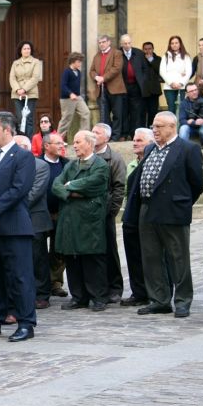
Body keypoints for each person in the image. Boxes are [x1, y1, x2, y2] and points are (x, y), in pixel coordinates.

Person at [127, 111, 203, 318]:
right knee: (151, 257)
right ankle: (159, 300)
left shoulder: (188, 149)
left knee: (178, 258)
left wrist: (182, 204)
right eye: (153, 126)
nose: (155, 130)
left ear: (172, 127)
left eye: (159, 126)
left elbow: (197, 183)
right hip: (147, 209)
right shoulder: (151, 148)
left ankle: (182, 300)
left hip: (173, 210)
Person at [0, 111, 37, 342]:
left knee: (19, 277)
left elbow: (18, 189)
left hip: (14, 227)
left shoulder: (23, 156)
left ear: (7, 130)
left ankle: (25, 322)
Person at [53, 131, 110, 311]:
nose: (74, 146)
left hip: (89, 220)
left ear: (89, 144)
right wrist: (70, 192)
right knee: (72, 259)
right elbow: (56, 185)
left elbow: (93, 184)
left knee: (92, 258)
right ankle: (78, 297)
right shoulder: (71, 165)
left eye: (77, 142)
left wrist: (70, 186)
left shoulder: (100, 165)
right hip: (69, 219)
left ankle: (99, 297)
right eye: (74, 142)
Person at [15, 135, 52, 309]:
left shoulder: (41, 166)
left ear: (29, 147)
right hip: (14, 218)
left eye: (23, 145)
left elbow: (34, 193)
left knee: (38, 258)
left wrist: (9, 205)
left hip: (35, 218)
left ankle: (42, 294)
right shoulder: (11, 165)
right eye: (17, 146)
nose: (20, 149)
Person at [92, 123, 127, 303]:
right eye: (92, 132)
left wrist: (111, 211)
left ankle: (114, 287)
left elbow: (119, 187)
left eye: (97, 133)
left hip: (105, 213)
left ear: (106, 137)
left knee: (110, 250)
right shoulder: (87, 155)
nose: (93, 135)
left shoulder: (114, 158)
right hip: (88, 214)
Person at [120, 128, 154, 307]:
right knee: (132, 256)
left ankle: (152, 292)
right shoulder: (132, 164)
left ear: (150, 143)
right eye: (134, 139)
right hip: (130, 216)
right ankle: (138, 291)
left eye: (139, 140)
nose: (135, 143)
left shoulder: (153, 162)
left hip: (147, 217)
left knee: (149, 257)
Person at [41, 132, 69, 298]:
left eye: (62, 143)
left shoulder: (67, 164)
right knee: (39, 250)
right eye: (58, 143)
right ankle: (41, 282)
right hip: (41, 214)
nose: (62, 146)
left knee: (59, 250)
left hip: (61, 213)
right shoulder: (36, 163)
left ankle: (55, 282)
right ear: (46, 146)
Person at [89, 35, 126, 141]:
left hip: (115, 89)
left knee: (117, 114)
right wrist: (96, 77)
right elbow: (91, 70)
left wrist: (103, 78)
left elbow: (117, 68)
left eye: (103, 42)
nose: (101, 44)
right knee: (104, 115)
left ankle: (115, 136)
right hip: (101, 90)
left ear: (109, 42)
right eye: (99, 42)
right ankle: (106, 136)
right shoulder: (97, 56)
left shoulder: (117, 53)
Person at [9, 41, 42, 138]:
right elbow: (12, 78)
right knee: (19, 118)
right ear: (21, 51)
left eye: (28, 49)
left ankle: (29, 141)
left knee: (28, 119)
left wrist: (24, 89)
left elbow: (35, 77)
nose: (27, 50)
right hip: (17, 94)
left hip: (30, 94)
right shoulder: (15, 63)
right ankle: (21, 140)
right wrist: (17, 89)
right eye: (25, 49)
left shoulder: (35, 62)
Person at [120, 34, 149, 140]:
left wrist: (142, 80)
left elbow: (145, 69)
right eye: (125, 43)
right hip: (123, 86)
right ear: (121, 44)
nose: (127, 45)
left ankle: (134, 134)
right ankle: (124, 133)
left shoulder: (139, 53)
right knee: (124, 110)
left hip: (136, 86)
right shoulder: (118, 54)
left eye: (129, 43)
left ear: (131, 43)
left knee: (136, 111)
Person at [57, 52, 90, 142]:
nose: (80, 64)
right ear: (73, 61)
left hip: (77, 97)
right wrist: (70, 93)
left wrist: (75, 95)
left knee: (86, 113)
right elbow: (63, 86)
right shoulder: (67, 72)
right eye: (79, 62)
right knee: (66, 119)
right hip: (67, 99)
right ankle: (58, 139)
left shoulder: (78, 72)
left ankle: (83, 136)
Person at [159, 36, 192, 114]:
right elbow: (162, 71)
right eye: (172, 43)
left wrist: (180, 83)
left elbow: (189, 71)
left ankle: (180, 126)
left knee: (181, 108)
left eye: (176, 43)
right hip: (169, 87)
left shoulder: (186, 56)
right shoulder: (165, 56)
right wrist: (171, 83)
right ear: (170, 45)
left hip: (181, 87)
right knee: (171, 108)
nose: (174, 45)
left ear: (180, 44)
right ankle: (172, 125)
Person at [142, 42, 163, 127]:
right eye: (145, 49)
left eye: (149, 49)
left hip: (154, 90)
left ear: (153, 49)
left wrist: (151, 60)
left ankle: (152, 128)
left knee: (153, 111)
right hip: (143, 90)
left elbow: (159, 70)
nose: (147, 51)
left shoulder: (158, 59)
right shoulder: (140, 59)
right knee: (142, 111)